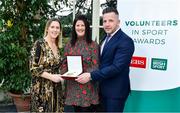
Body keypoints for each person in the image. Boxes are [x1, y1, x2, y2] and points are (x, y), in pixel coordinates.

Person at [76, 7, 135, 112]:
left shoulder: (125, 41)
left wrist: (90, 75)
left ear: (118, 22)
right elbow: (101, 61)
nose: (107, 24)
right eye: (104, 21)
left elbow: (116, 67)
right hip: (102, 89)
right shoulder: (106, 37)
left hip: (115, 92)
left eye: (111, 21)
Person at [61, 15, 99, 112]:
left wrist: (85, 75)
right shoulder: (69, 45)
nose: (80, 28)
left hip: (87, 87)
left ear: (86, 27)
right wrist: (66, 73)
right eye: (78, 25)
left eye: (82, 25)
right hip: (73, 87)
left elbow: (96, 66)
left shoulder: (93, 45)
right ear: (74, 27)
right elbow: (64, 64)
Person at [29, 18, 64, 112]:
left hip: (56, 88)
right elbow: (33, 68)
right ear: (47, 29)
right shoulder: (39, 44)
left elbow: (57, 66)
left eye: (57, 28)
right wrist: (52, 77)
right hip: (42, 89)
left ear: (60, 31)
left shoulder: (57, 46)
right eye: (52, 27)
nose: (55, 30)